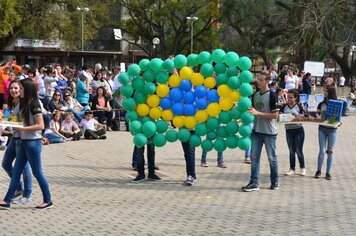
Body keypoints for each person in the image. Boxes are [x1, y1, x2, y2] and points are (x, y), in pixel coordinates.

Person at [0, 78, 53, 210]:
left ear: (27, 90)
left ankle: (48, 200)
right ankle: (7, 200)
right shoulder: (22, 103)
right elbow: (15, 122)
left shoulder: (34, 103)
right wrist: (8, 124)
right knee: (17, 172)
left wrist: (22, 128)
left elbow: (41, 125)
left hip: (33, 143)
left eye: (21, 88)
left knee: (37, 173)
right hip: (23, 142)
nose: (18, 90)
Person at [242, 72, 280, 192]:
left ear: (267, 81)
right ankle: (254, 182)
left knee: (271, 158)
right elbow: (251, 110)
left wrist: (258, 113)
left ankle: (274, 182)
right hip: (256, 131)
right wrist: (239, 106)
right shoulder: (255, 95)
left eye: (261, 80)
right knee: (254, 158)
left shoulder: (272, 95)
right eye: (258, 79)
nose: (258, 82)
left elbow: (275, 115)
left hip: (269, 132)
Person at [1, 80, 33, 204]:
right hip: (15, 138)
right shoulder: (11, 103)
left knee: (25, 168)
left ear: (21, 90)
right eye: (11, 88)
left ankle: (27, 194)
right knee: (5, 163)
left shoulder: (24, 103)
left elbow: (21, 122)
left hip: (23, 139)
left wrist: (7, 122)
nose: (13, 90)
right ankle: (19, 188)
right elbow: (9, 122)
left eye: (16, 88)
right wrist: (5, 122)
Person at [314, 85, 340, 180]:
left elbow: (339, 118)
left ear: (331, 93)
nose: (324, 93)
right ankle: (318, 170)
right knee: (322, 150)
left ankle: (328, 172)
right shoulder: (321, 104)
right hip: (322, 129)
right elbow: (317, 115)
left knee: (330, 151)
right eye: (324, 91)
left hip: (332, 129)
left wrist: (338, 122)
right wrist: (316, 116)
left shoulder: (337, 104)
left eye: (326, 91)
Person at [280, 89, 306, 176]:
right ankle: (292, 169)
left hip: (298, 130)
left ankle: (302, 168)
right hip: (289, 131)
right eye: (288, 97)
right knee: (291, 151)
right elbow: (279, 116)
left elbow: (303, 116)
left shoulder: (299, 107)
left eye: (291, 97)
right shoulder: (284, 107)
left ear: (295, 98)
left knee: (299, 150)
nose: (289, 99)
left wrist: (298, 116)